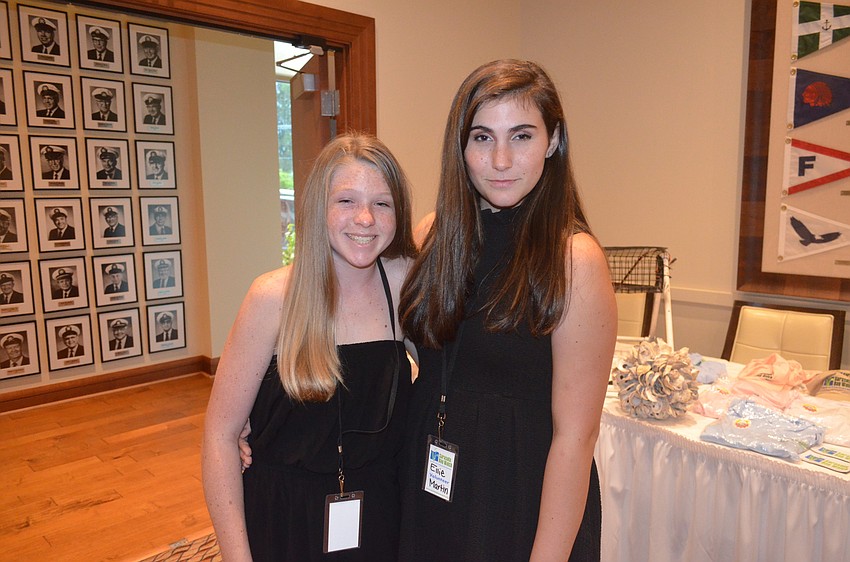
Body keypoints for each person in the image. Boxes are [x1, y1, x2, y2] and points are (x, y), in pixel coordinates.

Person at [396, 60, 617, 561]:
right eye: (481, 137)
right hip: (430, 478)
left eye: (521, 136)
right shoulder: (434, 234)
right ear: (461, 145)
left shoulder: (573, 259)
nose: (500, 160)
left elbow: (575, 438)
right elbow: (371, 334)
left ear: (553, 140)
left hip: (518, 499)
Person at [202, 133, 417, 561]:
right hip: (284, 516)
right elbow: (220, 437)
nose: (365, 219)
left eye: (382, 203)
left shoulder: (406, 284)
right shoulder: (272, 298)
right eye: (346, 201)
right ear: (317, 208)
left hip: (379, 513)